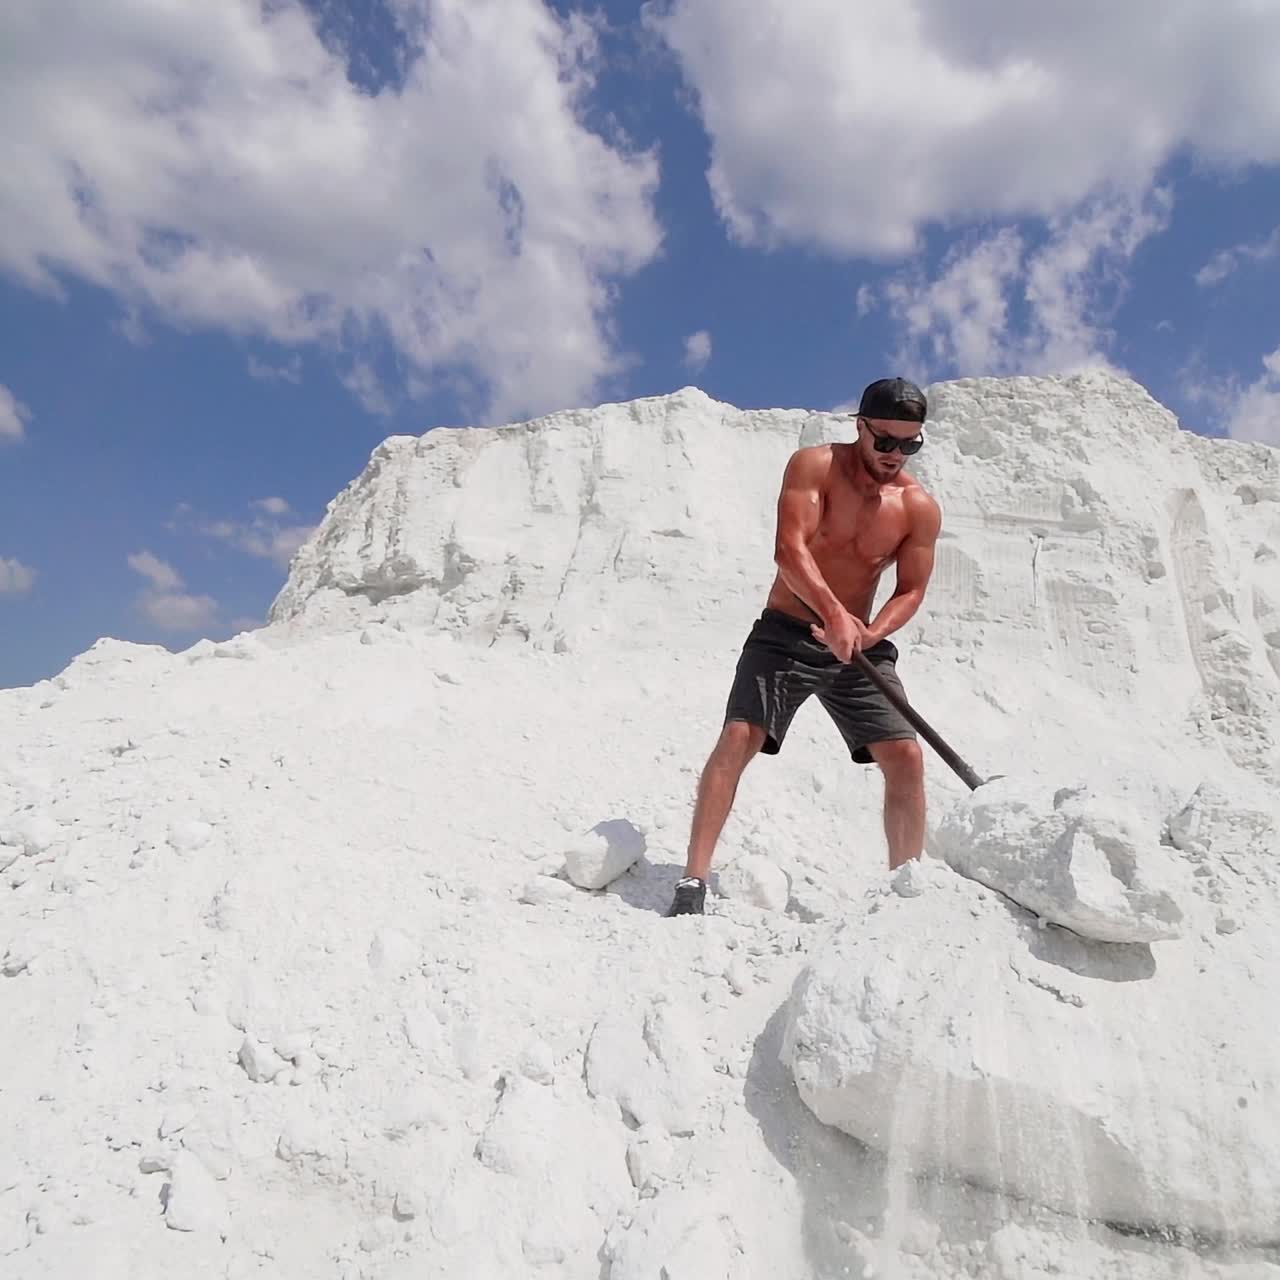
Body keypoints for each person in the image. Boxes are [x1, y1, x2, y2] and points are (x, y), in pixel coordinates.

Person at [666, 377, 942, 917]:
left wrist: (870, 632)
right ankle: (692, 881)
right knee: (739, 736)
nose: (895, 454)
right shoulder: (814, 466)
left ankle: (904, 898)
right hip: (786, 632)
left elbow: (911, 590)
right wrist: (833, 614)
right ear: (860, 426)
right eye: (885, 440)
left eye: (909, 444)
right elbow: (789, 551)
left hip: (857, 646)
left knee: (906, 756)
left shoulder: (917, 507)